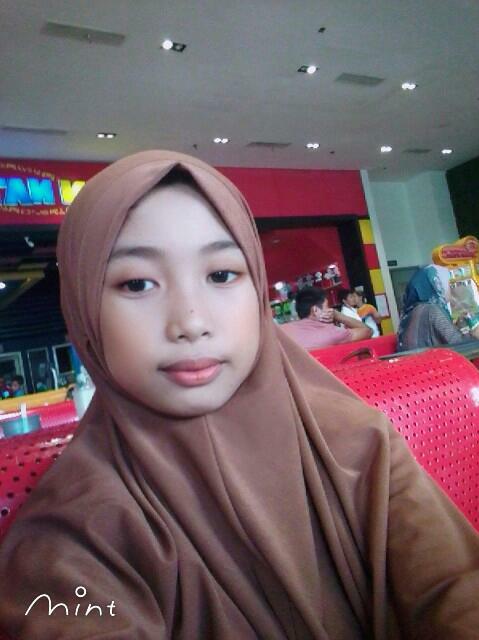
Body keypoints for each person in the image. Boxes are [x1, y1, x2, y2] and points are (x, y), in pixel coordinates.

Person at [0, 151, 477, 640]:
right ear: (82, 307)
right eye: (137, 283)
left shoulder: (359, 443)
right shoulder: (73, 536)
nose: (191, 322)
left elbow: (454, 588)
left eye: (222, 275)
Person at [398, 264, 479, 351]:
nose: (449, 288)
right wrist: (475, 333)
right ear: (437, 285)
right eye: (447, 283)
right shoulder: (432, 310)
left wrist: (458, 325)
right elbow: (458, 343)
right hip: (431, 359)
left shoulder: (414, 310)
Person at [281, 287, 372, 350]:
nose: (330, 310)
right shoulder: (333, 332)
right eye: (327, 306)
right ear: (315, 310)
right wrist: (337, 315)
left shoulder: (283, 331)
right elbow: (368, 331)